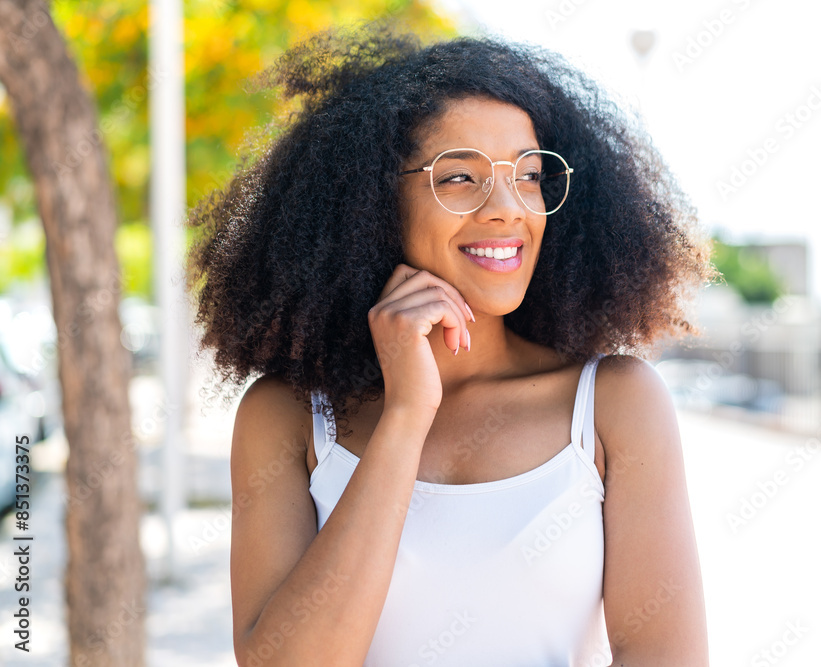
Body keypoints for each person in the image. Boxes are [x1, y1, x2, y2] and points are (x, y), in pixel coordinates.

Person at [185, 21, 715, 667]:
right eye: (460, 177)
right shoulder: (289, 416)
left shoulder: (612, 405)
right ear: (372, 201)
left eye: (528, 175)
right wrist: (407, 415)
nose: (507, 208)